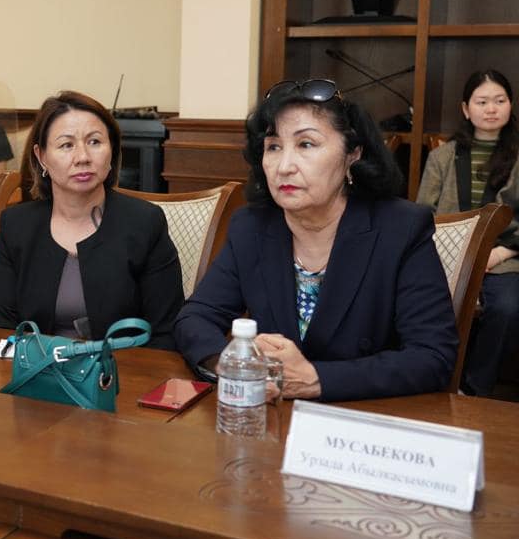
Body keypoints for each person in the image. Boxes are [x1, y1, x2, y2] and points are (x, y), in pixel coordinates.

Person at [174, 79, 458, 402]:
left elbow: (432, 357)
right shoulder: (251, 227)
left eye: (306, 144)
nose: (284, 167)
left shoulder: (401, 229)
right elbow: (195, 318)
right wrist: (233, 363)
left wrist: (317, 380)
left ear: (352, 154)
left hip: (366, 416)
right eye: (273, 147)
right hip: (272, 415)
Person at [0, 90, 182, 348]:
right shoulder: (16, 225)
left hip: (121, 369)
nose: (83, 158)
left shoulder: (145, 223)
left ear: (112, 151)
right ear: (41, 156)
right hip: (36, 368)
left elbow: (166, 333)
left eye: (95, 142)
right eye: (66, 145)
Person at [417, 69, 519, 396]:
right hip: (448, 257)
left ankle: (476, 391)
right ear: (465, 108)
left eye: (500, 101)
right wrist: (458, 257)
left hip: (506, 258)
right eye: (482, 101)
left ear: (510, 105)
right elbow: (423, 214)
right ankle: (435, 382)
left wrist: (499, 253)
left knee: (507, 308)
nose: (491, 109)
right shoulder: (442, 156)